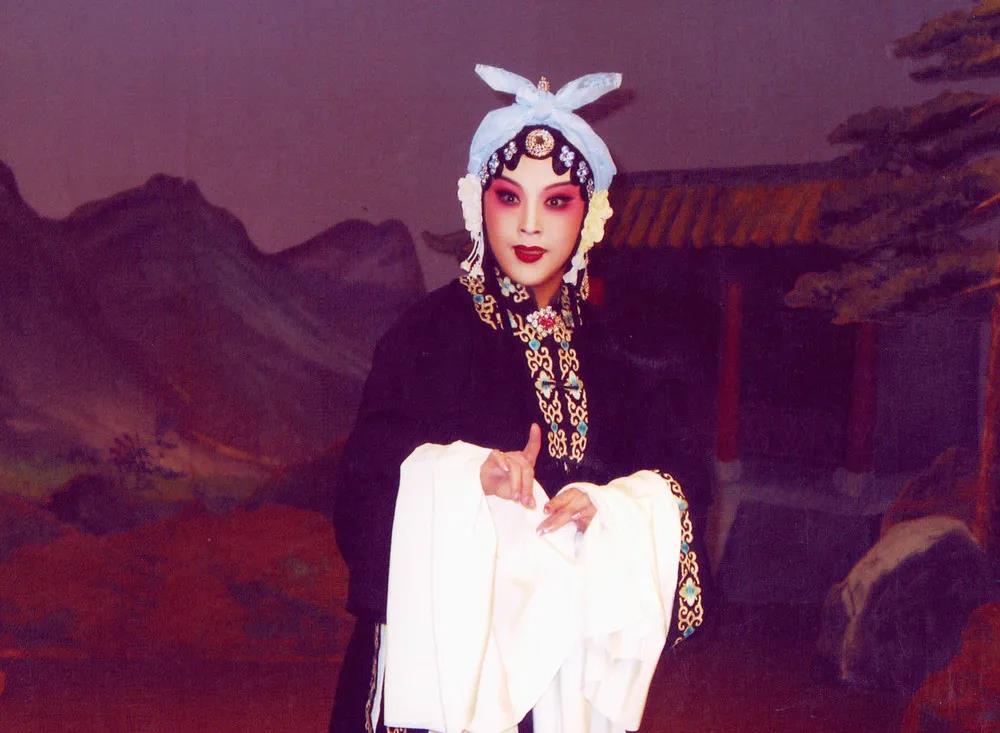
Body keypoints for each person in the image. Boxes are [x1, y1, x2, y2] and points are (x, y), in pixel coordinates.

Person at [329, 65, 707, 733]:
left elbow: (680, 481)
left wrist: (611, 509)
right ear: (479, 202)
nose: (530, 225)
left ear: (591, 214)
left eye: (556, 202)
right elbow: (364, 481)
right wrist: (464, 477)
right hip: (454, 656)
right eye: (510, 197)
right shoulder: (427, 335)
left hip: (568, 660)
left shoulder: (620, 350)